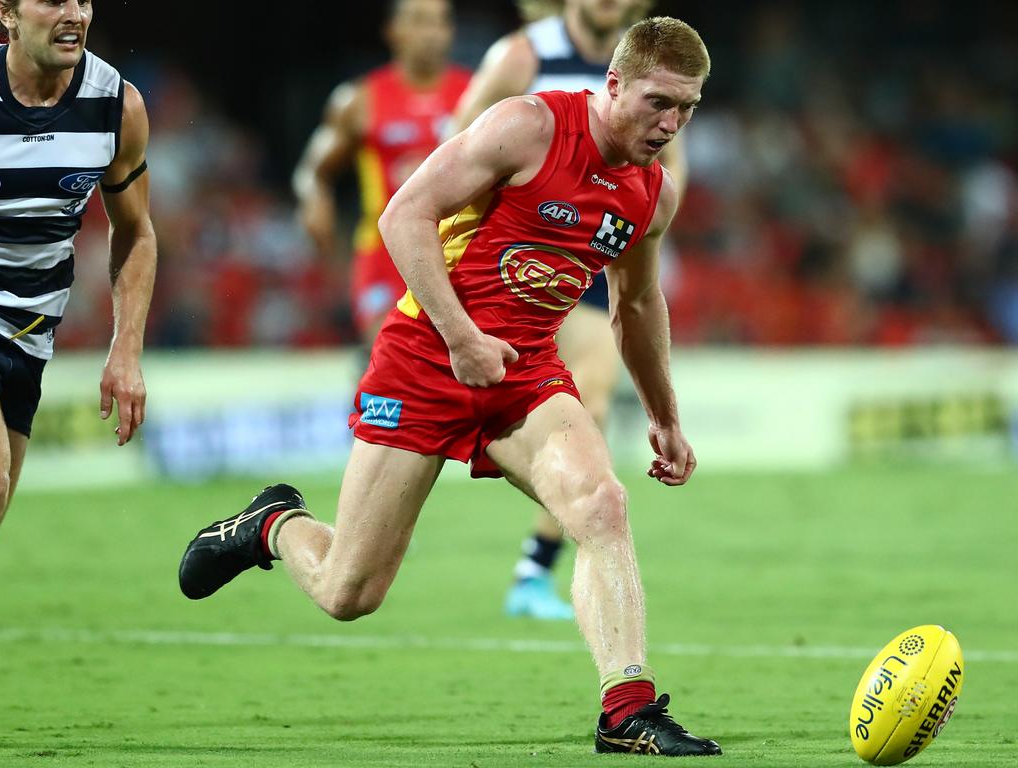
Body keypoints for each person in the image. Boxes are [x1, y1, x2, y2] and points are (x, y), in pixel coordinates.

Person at [179, 16, 721, 757]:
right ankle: (270, 524)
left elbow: (634, 305)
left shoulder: (649, 194)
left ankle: (625, 710)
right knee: (349, 593)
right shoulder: (527, 127)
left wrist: (664, 415)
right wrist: (462, 337)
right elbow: (405, 214)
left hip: (524, 374)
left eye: (688, 108)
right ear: (615, 83)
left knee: (601, 503)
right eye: (660, 102)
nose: (672, 123)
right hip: (426, 360)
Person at [452, 0, 689, 621]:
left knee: (596, 397)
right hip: (510, 260)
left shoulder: (658, 66)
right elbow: (464, 141)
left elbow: (668, 174)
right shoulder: (523, 56)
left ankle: (536, 567)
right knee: (355, 586)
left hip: (590, 257)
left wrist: (641, 213)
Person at [0, 0, 156, 540]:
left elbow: (134, 230)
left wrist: (125, 350)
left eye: (82, 0)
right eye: (52, 0)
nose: (74, 14)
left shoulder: (116, 105)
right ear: (7, 14)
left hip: (31, 331)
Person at [293, 0, 469, 347]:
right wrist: (314, 199)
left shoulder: (477, 96)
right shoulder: (359, 101)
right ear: (393, 31)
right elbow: (313, 171)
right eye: (419, 21)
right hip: (384, 259)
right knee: (394, 363)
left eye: (440, 23)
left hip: (458, 254)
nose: (432, 34)